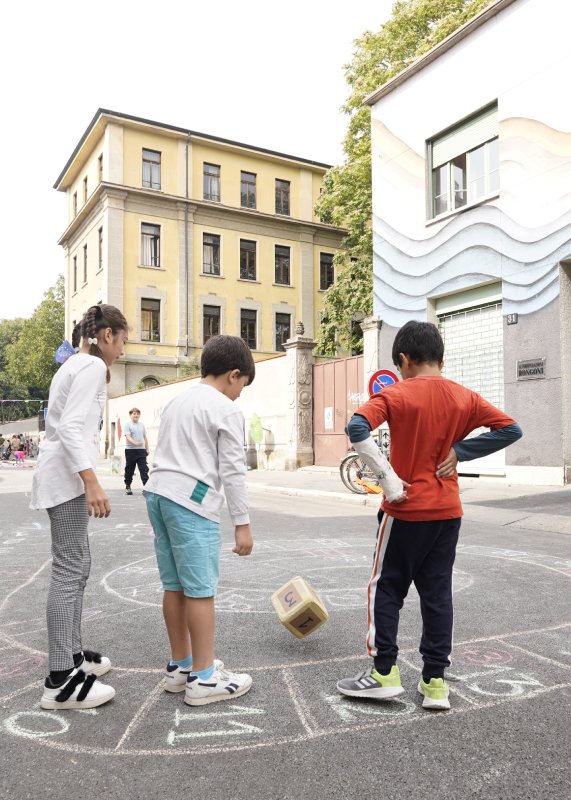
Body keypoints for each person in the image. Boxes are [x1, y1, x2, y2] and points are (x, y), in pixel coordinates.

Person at [337, 321, 522, 711]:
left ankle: (384, 673)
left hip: (404, 509)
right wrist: (462, 451)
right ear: (441, 357)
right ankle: (435, 682)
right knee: (437, 594)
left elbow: (356, 426)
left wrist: (388, 480)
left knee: (387, 588)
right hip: (447, 511)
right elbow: (510, 429)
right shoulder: (464, 396)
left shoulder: (396, 393)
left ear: (404, 359)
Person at [144, 335, 255, 706]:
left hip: (158, 493)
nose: (239, 394)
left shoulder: (177, 401)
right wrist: (242, 523)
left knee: (174, 585)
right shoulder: (225, 409)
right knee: (200, 589)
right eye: (242, 386)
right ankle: (204, 678)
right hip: (191, 501)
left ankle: (182, 665)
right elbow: (233, 470)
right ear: (233, 375)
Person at [30, 304, 129, 710]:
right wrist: (92, 481)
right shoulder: (90, 366)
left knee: (77, 565)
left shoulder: (77, 363)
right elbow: (70, 427)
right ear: (106, 335)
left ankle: (71, 657)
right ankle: (60, 680)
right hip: (67, 478)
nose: (122, 350)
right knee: (69, 570)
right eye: (122, 341)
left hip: (63, 475)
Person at [123, 407, 149, 495]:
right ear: (130, 415)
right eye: (134, 414)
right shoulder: (128, 425)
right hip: (130, 451)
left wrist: (147, 448)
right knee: (129, 470)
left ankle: (146, 487)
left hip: (141, 451)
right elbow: (128, 437)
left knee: (144, 469)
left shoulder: (142, 425)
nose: (136, 415)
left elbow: (145, 437)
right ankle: (128, 486)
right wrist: (135, 443)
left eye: (137, 414)